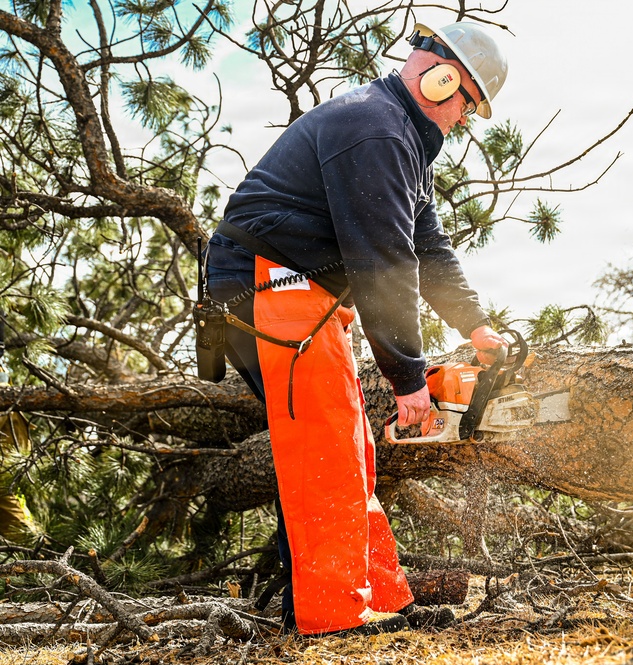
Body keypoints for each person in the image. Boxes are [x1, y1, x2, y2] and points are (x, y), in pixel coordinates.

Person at [202, 21, 509, 636]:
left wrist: (477, 326)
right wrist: (407, 378)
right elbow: (384, 265)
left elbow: (428, 247)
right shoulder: (376, 128)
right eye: (466, 110)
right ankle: (331, 614)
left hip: (297, 292)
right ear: (445, 80)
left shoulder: (399, 136)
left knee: (348, 446)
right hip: (267, 286)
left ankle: (372, 597)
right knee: (324, 449)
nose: (461, 124)